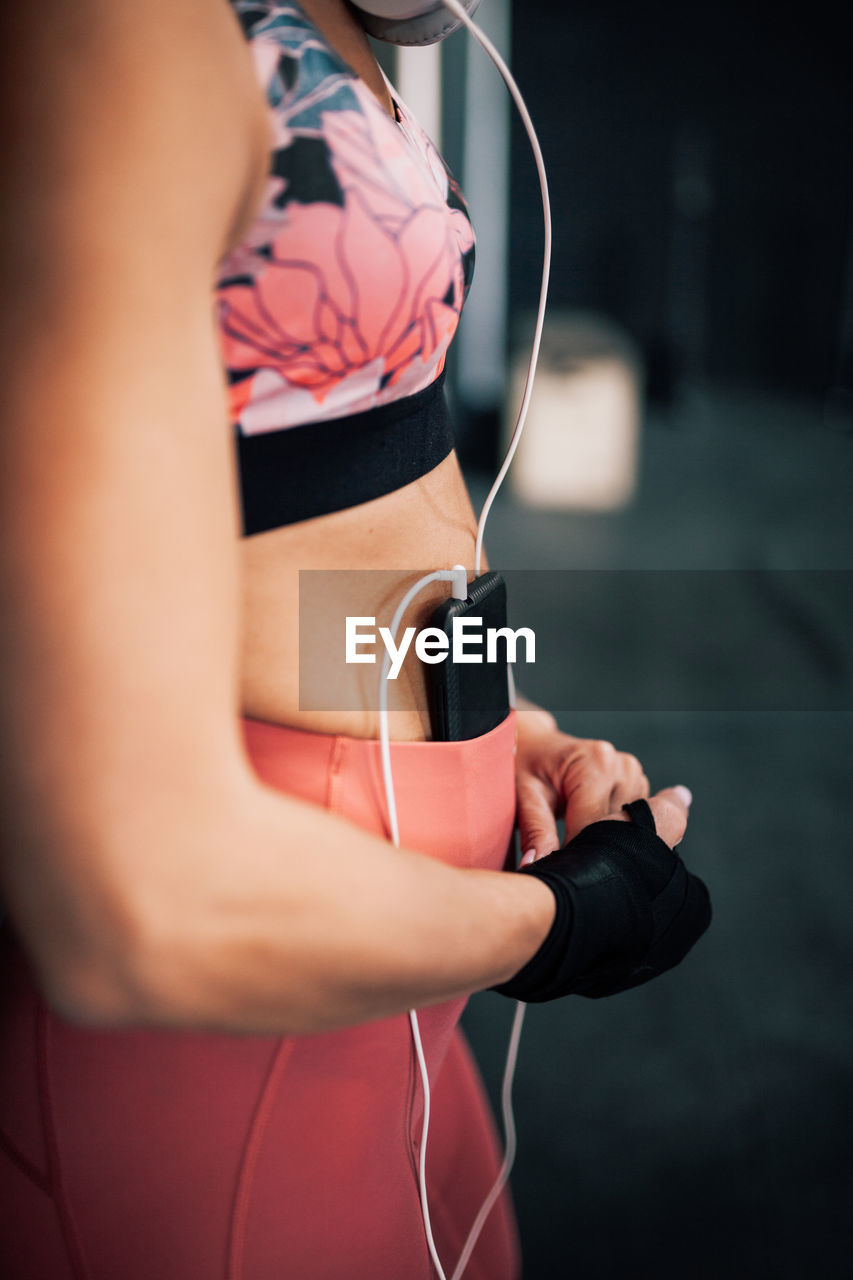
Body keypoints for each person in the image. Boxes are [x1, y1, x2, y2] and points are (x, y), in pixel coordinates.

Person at [0, 2, 710, 1277]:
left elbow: (273, 532)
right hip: (219, 1049)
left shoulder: (329, 30)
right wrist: (549, 921)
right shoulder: (123, 31)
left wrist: (498, 728)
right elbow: (130, 901)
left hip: (398, 1011)